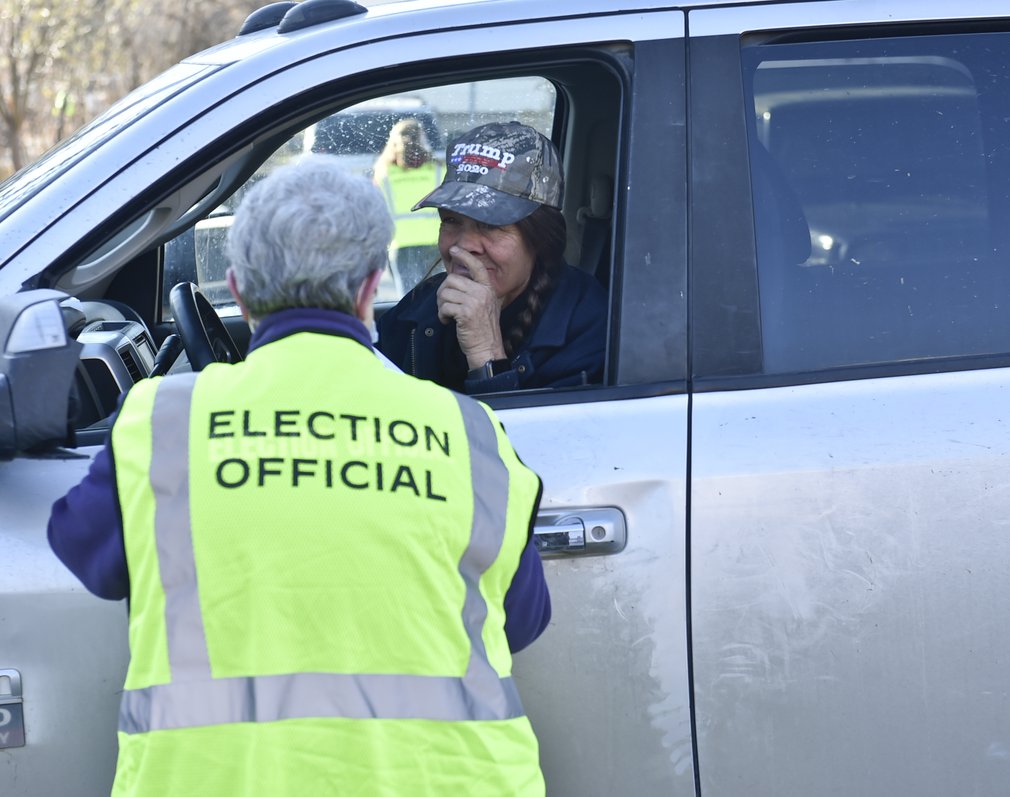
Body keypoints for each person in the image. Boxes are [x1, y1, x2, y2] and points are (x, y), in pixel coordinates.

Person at [46, 158, 551, 796]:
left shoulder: (164, 421)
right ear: (370, 291)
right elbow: (523, 619)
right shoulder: (469, 433)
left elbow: (82, 550)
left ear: (238, 289)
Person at [376, 121, 607, 395]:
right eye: (450, 220)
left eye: (491, 224)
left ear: (541, 237)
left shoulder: (587, 324)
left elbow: (546, 425)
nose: (463, 246)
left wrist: (485, 353)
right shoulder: (423, 303)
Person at [372, 118, 443, 294]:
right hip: (434, 243)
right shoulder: (438, 170)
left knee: (408, 299)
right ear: (423, 140)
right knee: (437, 296)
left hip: (400, 244)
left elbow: (376, 213)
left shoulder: (383, 174)